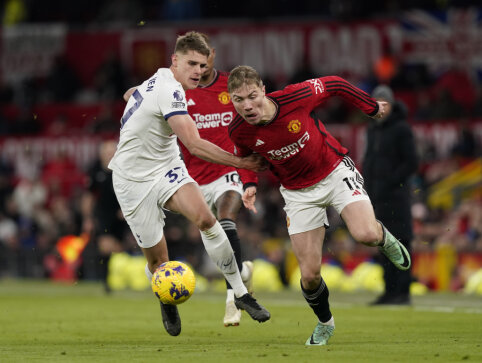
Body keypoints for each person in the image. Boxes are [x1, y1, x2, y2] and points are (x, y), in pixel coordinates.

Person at [226, 65, 411, 346]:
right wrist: (249, 183)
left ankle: (383, 237)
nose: (248, 105)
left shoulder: (294, 98)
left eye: (252, 96)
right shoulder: (238, 130)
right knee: (310, 276)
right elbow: (246, 157)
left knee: (366, 235)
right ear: (231, 100)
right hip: (298, 194)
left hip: (335, 171)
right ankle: (325, 323)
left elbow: (336, 84)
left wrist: (371, 107)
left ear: (263, 89)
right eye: (239, 100)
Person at [108, 32, 270, 337]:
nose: (198, 70)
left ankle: (240, 293)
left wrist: (136, 96)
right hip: (132, 180)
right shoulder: (170, 90)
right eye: (191, 64)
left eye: (202, 64)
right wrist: (242, 163)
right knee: (158, 262)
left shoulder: (159, 80)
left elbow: (130, 94)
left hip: (167, 167)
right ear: (175, 61)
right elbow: (194, 144)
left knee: (207, 219)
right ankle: (165, 297)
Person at [363, 85, 418, 305]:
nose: (381, 108)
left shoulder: (402, 129)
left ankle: (402, 292)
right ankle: (389, 291)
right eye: (377, 103)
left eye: (384, 103)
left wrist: (390, 183)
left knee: (401, 242)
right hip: (377, 197)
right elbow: (369, 160)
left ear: (392, 105)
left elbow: (411, 162)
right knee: (382, 243)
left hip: (397, 197)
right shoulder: (372, 129)